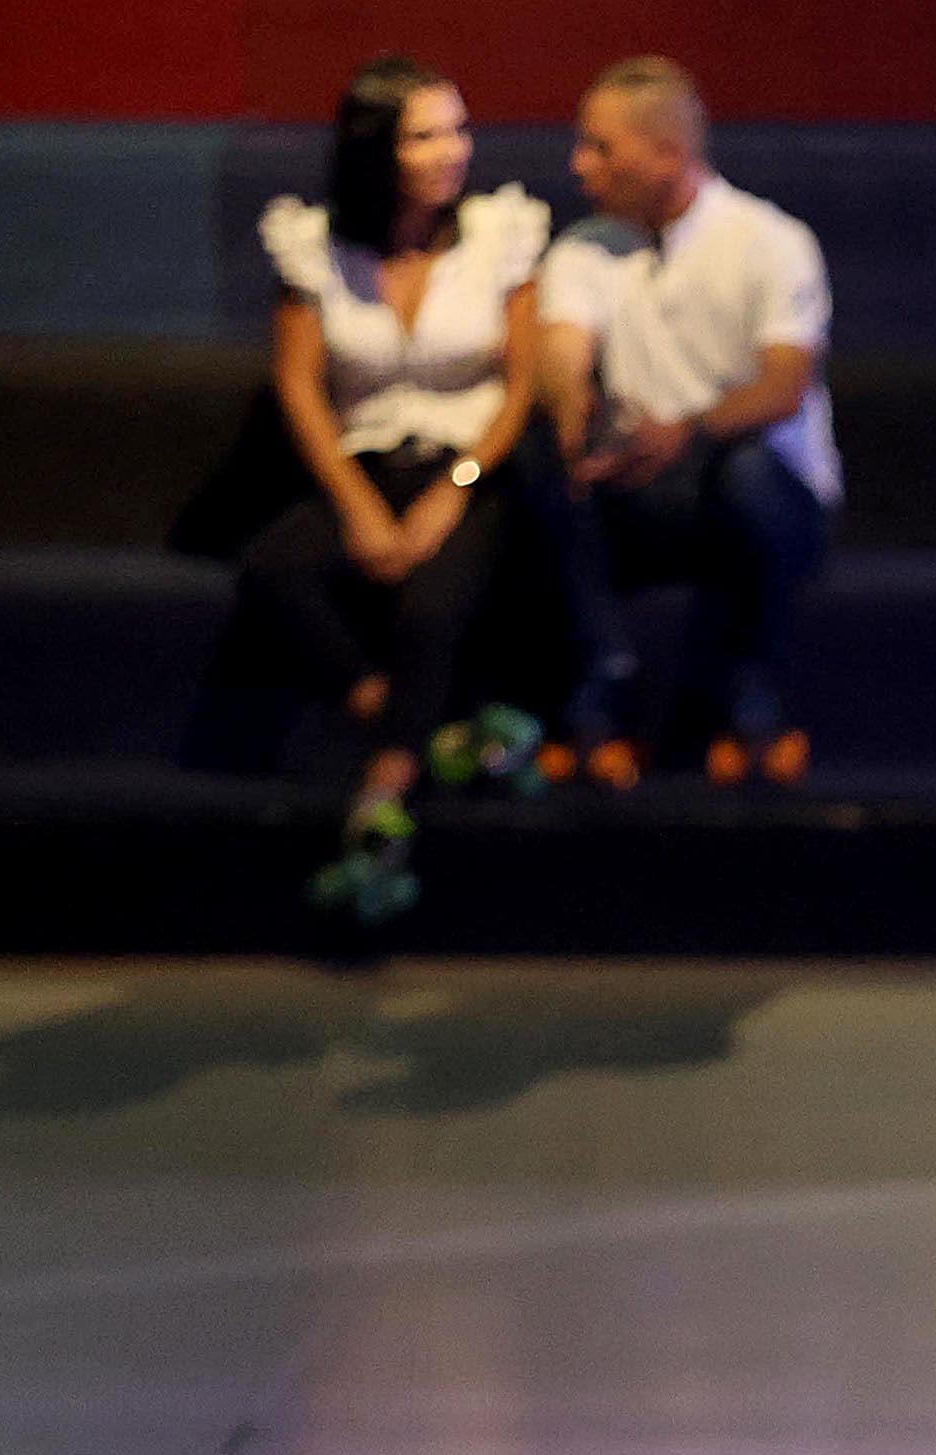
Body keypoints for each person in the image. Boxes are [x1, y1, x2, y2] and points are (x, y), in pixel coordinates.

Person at [236, 56, 550, 901]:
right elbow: (299, 385)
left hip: (472, 468)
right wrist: (358, 506)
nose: (453, 151)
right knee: (274, 568)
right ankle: (443, 732)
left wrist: (460, 485)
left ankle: (381, 801)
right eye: (425, 136)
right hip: (370, 462)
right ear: (376, 151)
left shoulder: (500, 233)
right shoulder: (317, 246)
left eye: (457, 129)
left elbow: (523, 384)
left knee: (430, 607)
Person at [529, 58, 839, 788]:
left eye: (600, 147)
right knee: (541, 468)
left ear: (668, 152)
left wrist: (683, 431)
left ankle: (748, 693)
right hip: (645, 490)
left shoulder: (770, 241)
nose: (580, 165)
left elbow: (784, 383)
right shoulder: (584, 248)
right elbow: (562, 349)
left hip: (756, 493)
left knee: (748, 474)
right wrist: (574, 413)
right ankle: (602, 677)